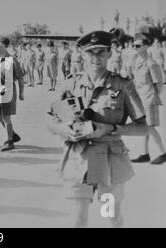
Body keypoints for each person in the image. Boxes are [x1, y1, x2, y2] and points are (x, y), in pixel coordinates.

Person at [47, 30, 148, 228]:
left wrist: (111, 129)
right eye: (90, 52)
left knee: (110, 218)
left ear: (110, 53)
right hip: (77, 160)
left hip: (110, 162)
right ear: (82, 55)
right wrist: (64, 130)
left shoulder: (123, 85)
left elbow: (142, 128)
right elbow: (49, 119)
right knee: (77, 220)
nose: (96, 57)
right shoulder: (71, 84)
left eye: (101, 52)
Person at [130, 34, 166, 164]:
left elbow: (159, 83)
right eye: (134, 45)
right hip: (140, 98)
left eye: (138, 45)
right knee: (144, 126)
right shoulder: (137, 61)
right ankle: (145, 154)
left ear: (146, 46)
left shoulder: (152, 63)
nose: (135, 47)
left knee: (149, 127)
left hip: (149, 98)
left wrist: (154, 96)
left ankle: (163, 153)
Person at [0, 37, 24, 151]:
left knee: (6, 117)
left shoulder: (12, 60)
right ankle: (13, 134)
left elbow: (20, 78)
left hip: (8, 90)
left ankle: (10, 141)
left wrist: (21, 93)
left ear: (4, 47)